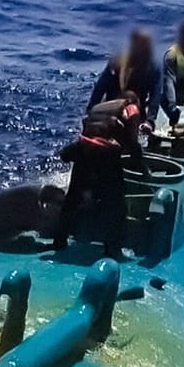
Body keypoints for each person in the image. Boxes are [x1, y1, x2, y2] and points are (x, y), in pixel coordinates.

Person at [53, 92, 147, 256]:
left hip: (83, 149)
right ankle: (112, 249)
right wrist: (143, 169)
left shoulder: (98, 108)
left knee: (73, 198)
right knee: (116, 204)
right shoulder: (132, 109)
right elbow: (132, 143)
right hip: (105, 153)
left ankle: (59, 241)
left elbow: (89, 133)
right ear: (135, 101)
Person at [87, 30, 163, 127]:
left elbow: (156, 95)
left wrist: (150, 121)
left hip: (136, 109)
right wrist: (90, 111)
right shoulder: (117, 61)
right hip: (111, 106)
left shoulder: (153, 67)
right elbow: (100, 87)